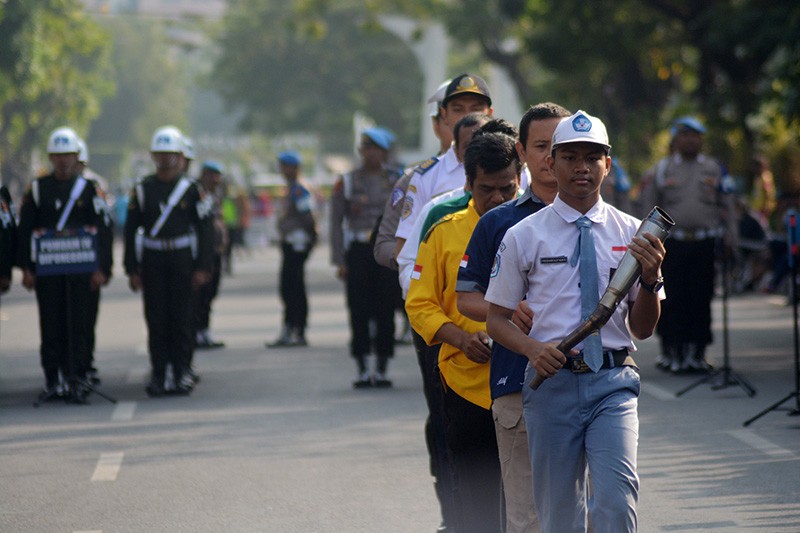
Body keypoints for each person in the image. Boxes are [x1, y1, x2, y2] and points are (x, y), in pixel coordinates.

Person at [485, 110, 666, 532]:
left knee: (616, 504)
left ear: (608, 163)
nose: (581, 167)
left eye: (592, 157)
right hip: (552, 385)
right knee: (560, 516)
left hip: (612, 383)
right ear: (551, 163)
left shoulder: (633, 233)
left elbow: (643, 329)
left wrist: (651, 277)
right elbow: (496, 319)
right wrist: (532, 349)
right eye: (569, 157)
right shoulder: (525, 234)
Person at [455, 102, 571, 533]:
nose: (551, 157)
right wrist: (504, 309)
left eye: (560, 147)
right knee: (528, 517)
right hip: (516, 381)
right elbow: (466, 298)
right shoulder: (498, 222)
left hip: (589, 382)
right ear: (522, 152)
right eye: (541, 146)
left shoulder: (604, 223)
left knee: (589, 510)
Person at [406, 130, 523, 533]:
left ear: (519, 179)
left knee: (528, 498)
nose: (498, 198)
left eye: (507, 188)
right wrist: (460, 338)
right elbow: (419, 303)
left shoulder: (538, 226)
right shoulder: (443, 231)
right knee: (477, 500)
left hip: (529, 383)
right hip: (466, 385)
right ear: (468, 183)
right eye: (486, 189)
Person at [17, 127, 114, 403]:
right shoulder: (37, 189)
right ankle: (54, 379)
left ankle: (78, 377)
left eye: (68, 155)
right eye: (58, 155)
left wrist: (102, 268)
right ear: (51, 157)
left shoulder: (90, 189)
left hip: (81, 271)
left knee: (79, 325)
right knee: (51, 324)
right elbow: (25, 230)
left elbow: (104, 229)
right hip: (48, 271)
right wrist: (26, 268)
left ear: (76, 157)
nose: (63, 160)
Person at [637, 116, 737, 373]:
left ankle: (698, 352)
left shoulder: (714, 168)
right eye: (685, 135)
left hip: (704, 242)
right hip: (673, 245)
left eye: (696, 135)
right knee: (671, 298)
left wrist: (731, 238)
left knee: (701, 297)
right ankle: (672, 351)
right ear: (676, 139)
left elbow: (727, 205)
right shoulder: (662, 169)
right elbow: (649, 207)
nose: (691, 140)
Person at [124, 126, 214, 397]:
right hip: (153, 259)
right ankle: (159, 373)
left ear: (180, 157)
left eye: (170, 154)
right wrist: (131, 268)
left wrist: (203, 267)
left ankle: (182, 370)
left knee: (182, 317)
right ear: (153, 156)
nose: (165, 159)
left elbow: (205, 229)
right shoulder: (143, 189)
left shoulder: (192, 190)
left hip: (181, 259)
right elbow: (131, 230)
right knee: (156, 318)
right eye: (160, 154)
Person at [393, 73, 494, 262]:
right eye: (458, 109)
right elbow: (406, 252)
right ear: (444, 115)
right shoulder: (426, 176)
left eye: (476, 108)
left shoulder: (516, 171)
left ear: (490, 113)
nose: (468, 116)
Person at [329, 127, 402, 388]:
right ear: (361, 151)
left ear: (385, 152)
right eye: (367, 148)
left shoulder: (398, 180)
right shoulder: (347, 181)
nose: (372, 154)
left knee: (386, 309)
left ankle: (381, 366)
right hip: (359, 250)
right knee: (358, 309)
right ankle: (361, 366)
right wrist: (339, 260)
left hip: (386, 250)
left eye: (377, 149)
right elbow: (336, 222)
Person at [268, 150, 317, 348]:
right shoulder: (290, 188)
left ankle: (296, 329)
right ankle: (291, 327)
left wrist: (311, 238)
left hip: (297, 244)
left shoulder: (299, 190)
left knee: (293, 287)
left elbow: (308, 216)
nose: (282, 169)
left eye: (285, 166)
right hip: (289, 242)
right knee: (288, 287)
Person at [193, 160, 228, 350]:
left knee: (210, 292)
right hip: (202, 252)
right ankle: (196, 331)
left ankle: (204, 331)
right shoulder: (198, 194)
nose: (217, 180)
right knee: (200, 294)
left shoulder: (216, 195)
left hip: (215, 251)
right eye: (214, 175)